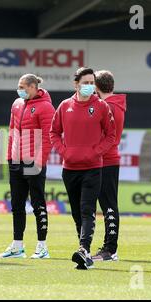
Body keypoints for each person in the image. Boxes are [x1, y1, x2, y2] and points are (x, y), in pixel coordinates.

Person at [50, 67, 116, 269]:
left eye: (91, 83)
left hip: (93, 168)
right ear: (76, 84)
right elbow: (53, 133)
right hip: (69, 169)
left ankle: (83, 249)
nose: (88, 86)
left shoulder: (102, 106)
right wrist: (65, 152)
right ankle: (84, 251)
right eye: (85, 82)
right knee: (77, 213)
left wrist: (96, 152)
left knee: (88, 210)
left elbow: (110, 135)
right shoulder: (64, 106)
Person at [0, 74, 55, 259]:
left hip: (33, 162)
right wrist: (9, 156)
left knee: (38, 204)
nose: (19, 89)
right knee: (17, 205)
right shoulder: (17, 104)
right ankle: (17, 246)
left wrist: (39, 161)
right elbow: (12, 131)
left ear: (32, 87)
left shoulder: (46, 107)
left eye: (22, 86)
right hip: (15, 161)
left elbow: (48, 137)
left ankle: (42, 246)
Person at [92, 70, 126, 262]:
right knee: (107, 206)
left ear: (96, 86)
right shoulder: (115, 105)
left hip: (105, 160)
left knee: (108, 206)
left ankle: (110, 249)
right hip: (106, 159)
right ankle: (108, 248)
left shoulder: (107, 107)